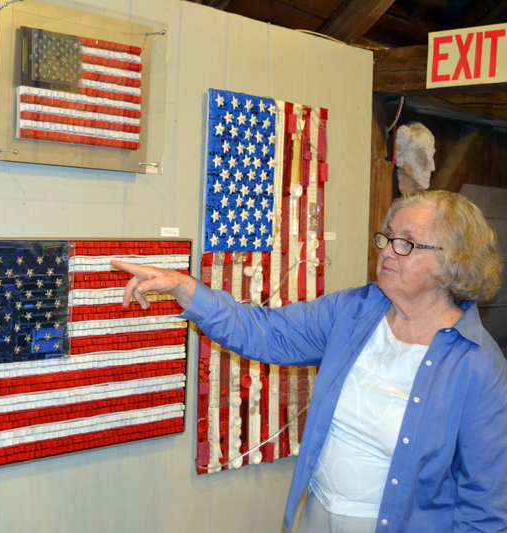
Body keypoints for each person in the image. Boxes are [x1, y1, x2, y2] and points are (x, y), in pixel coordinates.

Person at [111, 190, 507, 532]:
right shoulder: (354, 311)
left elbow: (485, 502)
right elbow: (265, 332)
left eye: (407, 242)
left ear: (451, 261)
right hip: (316, 514)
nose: (387, 250)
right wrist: (186, 288)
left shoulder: (477, 365)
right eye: (386, 237)